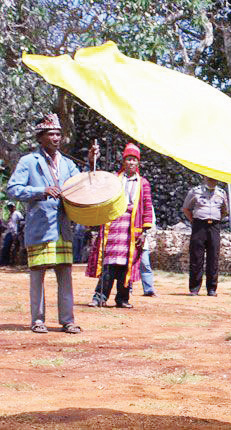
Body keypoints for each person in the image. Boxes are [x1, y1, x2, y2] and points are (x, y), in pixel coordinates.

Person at [6, 113, 97, 334]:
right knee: (38, 273)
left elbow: (81, 184)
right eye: (51, 134)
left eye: (58, 134)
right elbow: (12, 189)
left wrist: (92, 163)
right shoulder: (29, 161)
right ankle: (37, 320)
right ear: (40, 138)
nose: (56, 138)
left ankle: (67, 320)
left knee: (65, 273)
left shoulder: (67, 164)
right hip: (40, 226)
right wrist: (41, 191)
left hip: (62, 228)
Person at [86, 142, 154, 308]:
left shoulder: (143, 183)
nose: (131, 162)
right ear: (124, 162)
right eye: (128, 159)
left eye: (134, 160)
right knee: (109, 262)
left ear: (138, 163)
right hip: (114, 226)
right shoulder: (114, 179)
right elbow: (100, 190)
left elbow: (146, 205)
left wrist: (145, 231)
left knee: (126, 264)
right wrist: (93, 160)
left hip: (132, 228)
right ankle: (99, 297)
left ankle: (122, 299)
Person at [182, 175, 229, 296]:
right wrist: (194, 221)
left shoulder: (221, 193)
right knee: (196, 257)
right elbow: (186, 208)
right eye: (209, 178)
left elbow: (225, 211)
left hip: (214, 226)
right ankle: (194, 288)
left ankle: (212, 288)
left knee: (213, 257)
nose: (212, 180)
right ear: (204, 178)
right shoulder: (195, 191)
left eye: (214, 178)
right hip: (199, 225)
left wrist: (216, 219)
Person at [140, 205, 157, 297]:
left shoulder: (147, 205)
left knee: (145, 264)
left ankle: (149, 289)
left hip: (142, 240)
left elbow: (151, 222)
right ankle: (127, 289)